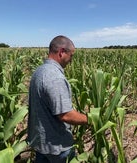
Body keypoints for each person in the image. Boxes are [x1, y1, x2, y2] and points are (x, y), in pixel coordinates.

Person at [27, 35, 88, 163]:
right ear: (61, 52)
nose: (71, 60)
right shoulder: (55, 77)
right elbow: (65, 115)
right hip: (56, 147)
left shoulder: (39, 71)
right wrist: (90, 119)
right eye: (71, 55)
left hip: (41, 143)